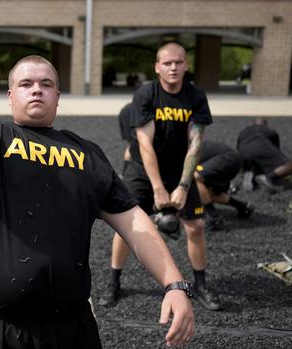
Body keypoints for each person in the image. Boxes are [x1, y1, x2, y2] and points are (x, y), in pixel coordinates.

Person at [0, 2, 194, 348]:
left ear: (57, 97)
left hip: (69, 327)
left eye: (46, 83)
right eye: (25, 84)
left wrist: (174, 283)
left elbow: (134, 221)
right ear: (11, 97)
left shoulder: (88, 154)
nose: (36, 89)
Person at [99, 42, 223, 312]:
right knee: (126, 225)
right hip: (143, 171)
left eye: (178, 62)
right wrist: (157, 188)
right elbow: (145, 145)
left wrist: (183, 185)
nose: (174, 67)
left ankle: (200, 285)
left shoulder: (196, 97)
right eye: (167, 63)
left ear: (186, 65)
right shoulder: (145, 94)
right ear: (157, 67)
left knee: (196, 226)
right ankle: (114, 281)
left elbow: (196, 144)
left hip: (179, 171)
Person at [195, 140, 255, 230]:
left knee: (193, 179)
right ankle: (243, 207)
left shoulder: (174, 152)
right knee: (206, 194)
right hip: (229, 160)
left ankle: (214, 218)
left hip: (225, 158)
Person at [236, 117, 292, 193]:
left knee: (255, 161)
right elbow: (276, 150)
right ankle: (268, 178)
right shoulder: (270, 131)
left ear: (253, 123)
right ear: (265, 125)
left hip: (243, 151)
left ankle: (251, 174)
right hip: (260, 145)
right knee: (288, 166)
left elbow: (238, 148)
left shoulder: (244, 131)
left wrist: (244, 167)